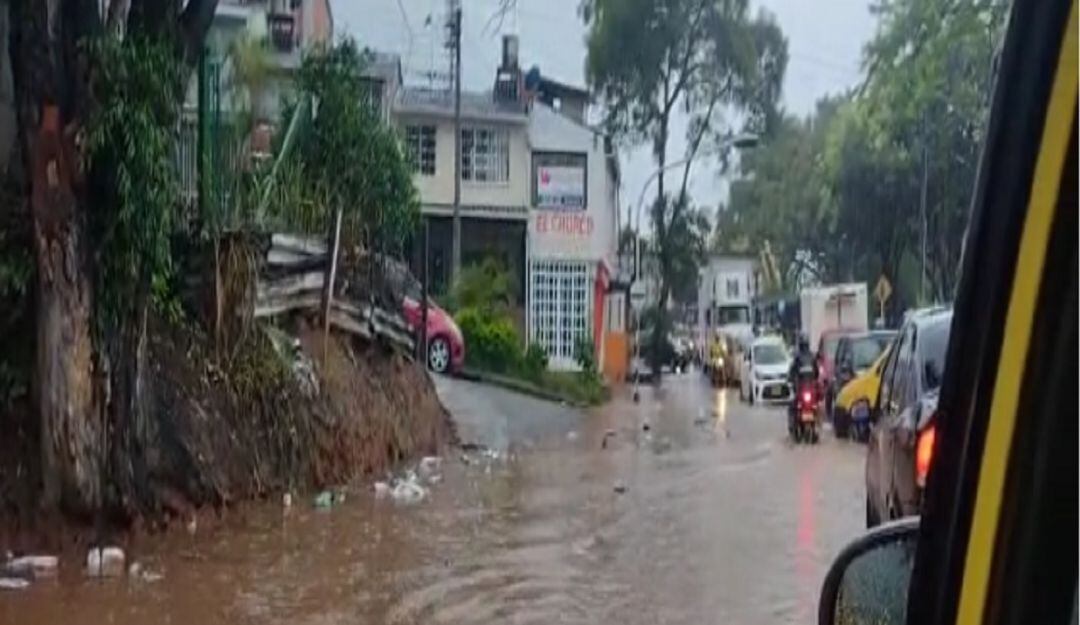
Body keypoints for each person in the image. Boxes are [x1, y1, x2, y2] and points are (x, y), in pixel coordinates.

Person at [787, 333, 819, 434]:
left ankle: (795, 427)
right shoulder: (809, 357)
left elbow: (816, 373)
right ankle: (795, 426)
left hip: (806, 391)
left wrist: (790, 380)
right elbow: (817, 373)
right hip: (804, 391)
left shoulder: (799, 358)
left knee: (815, 406)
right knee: (794, 406)